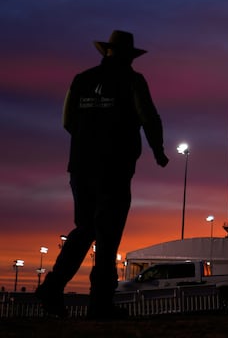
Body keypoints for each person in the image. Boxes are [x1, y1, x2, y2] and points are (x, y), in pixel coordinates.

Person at [35, 30, 169, 319]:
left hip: (81, 165)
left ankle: (52, 287)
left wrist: (88, 141)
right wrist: (158, 151)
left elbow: (67, 121)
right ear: (128, 56)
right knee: (108, 236)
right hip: (115, 168)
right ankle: (100, 305)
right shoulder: (133, 80)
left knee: (85, 227)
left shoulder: (81, 79)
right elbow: (149, 117)